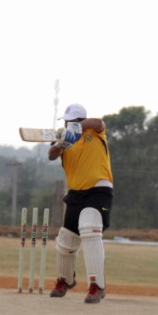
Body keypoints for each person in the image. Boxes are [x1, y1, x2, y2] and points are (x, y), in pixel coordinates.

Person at [48, 103, 112, 304]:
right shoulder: (64, 137)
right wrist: (61, 143)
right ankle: (65, 280)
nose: (67, 123)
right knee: (66, 240)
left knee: (90, 228)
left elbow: (99, 122)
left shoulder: (95, 131)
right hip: (76, 193)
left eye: (70, 120)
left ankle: (97, 286)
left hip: (98, 189)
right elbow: (51, 156)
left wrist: (76, 129)